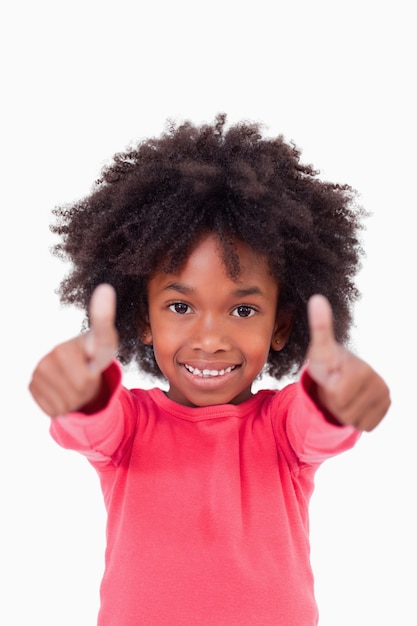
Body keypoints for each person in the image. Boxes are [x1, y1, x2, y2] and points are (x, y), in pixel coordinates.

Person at [29, 114, 390, 626]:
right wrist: (81, 389)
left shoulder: (282, 429)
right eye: (180, 307)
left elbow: (320, 426)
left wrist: (337, 394)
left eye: (243, 311)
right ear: (143, 319)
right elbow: (88, 426)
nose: (211, 339)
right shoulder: (130, 426)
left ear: (281, 326)